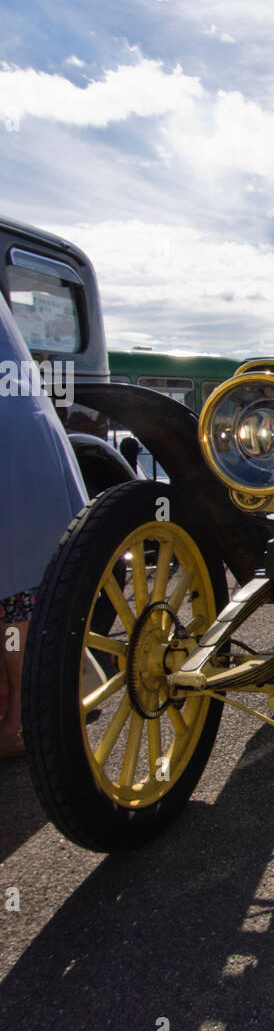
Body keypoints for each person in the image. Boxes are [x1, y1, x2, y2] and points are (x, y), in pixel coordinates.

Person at [0, 292, 88, 757]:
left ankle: (20, 716)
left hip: (10, 453)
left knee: (15, 604)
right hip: (23, 433)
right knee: (18, 601)